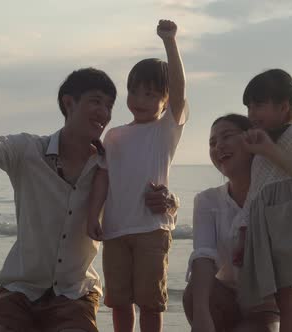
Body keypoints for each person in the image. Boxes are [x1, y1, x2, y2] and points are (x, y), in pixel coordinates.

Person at [0, 67, 179, 332]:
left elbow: (140, 193)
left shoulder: (108, 163)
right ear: (69, 103)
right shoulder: (28, 151)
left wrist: (169, 201)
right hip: (21, 289)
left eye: (109, 106)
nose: (104, 113)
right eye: (96, 102)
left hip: (75, 293)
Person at [184, 113, 292, 332]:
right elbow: (203, 256)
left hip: (274, 305)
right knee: (195, 295)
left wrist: (273, 153)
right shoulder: (208, 200)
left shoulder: (281, 193)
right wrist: (201, 315)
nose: (218, 146)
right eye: (212, 143)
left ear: (252, 140)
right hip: (228, 298)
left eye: (227, 136)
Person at [86, 19, 187, 332]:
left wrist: (169, 42)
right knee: (118, 301)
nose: (140, 100)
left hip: (151, 229)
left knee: (150, 302)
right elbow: (102, 178)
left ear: (165, 100)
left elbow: (180, 88)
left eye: (150, 94)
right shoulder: (114, 136)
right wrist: (94, 215)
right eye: (133, 92)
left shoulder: (164, 130)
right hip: (116, 231)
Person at [232, 63, 292, 331]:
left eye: (259, 105)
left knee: (289, 298)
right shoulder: (260, 148)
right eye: (249, 107)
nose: (252, 113)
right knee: (282, 298)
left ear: (285, 106)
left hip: (286, 221)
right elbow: (255, 194)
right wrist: (243, 235)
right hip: (264, 226)